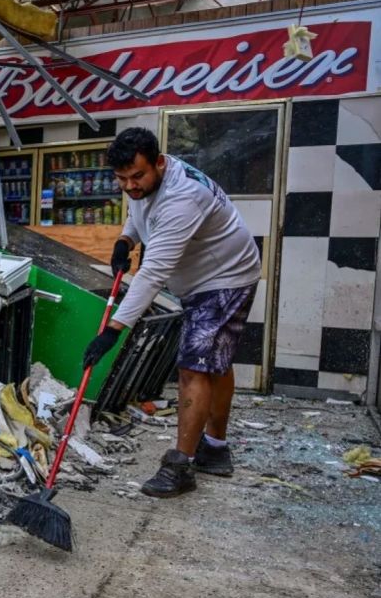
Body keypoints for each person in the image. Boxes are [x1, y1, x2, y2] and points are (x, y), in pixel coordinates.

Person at [82, 127, 261, 498]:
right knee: (216, 361)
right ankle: (215, 448)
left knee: (194, 367)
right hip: (204, 277)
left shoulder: (183, 198)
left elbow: (153, 274)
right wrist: (125, 239)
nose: (130, 186)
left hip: (224, 278)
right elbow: (139, 208)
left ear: (159, 163)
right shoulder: (149, 181)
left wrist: (114, 330)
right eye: (121, 179)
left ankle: (180, 466)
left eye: (137, 176)